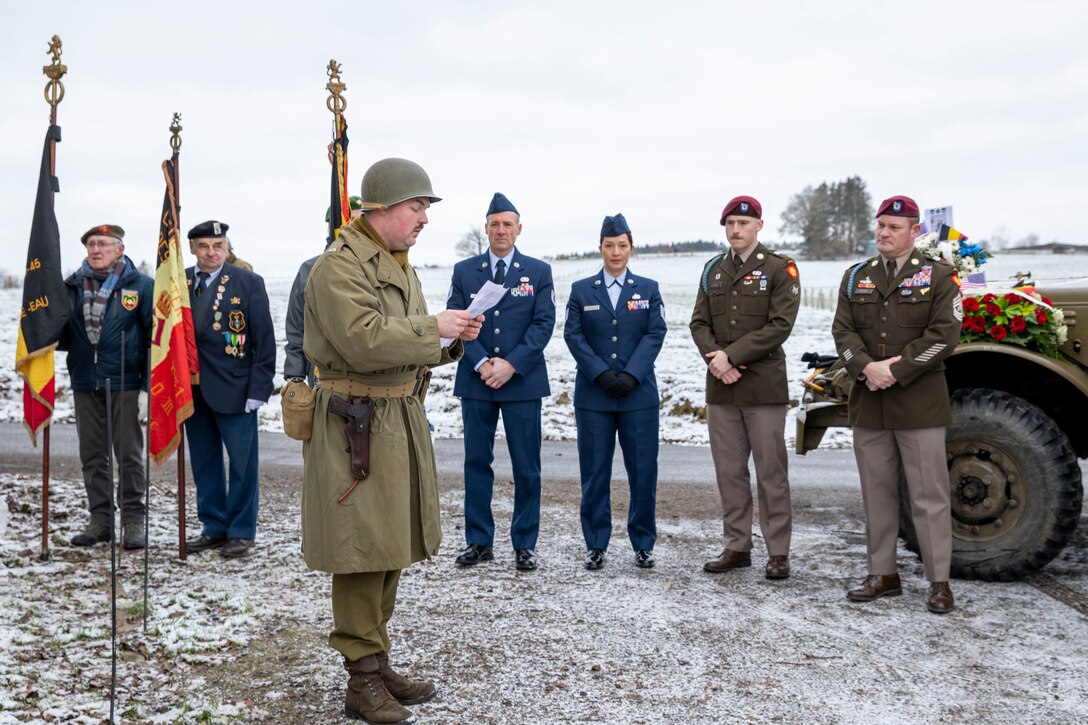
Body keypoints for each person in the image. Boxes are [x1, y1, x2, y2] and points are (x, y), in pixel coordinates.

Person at [302, 158, 481, 723]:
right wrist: (436, 328)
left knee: (390, 544)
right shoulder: (337, 268)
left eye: (426, 207)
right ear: (379, 209)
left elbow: (407, 339)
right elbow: (364, 341)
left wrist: (451, 338)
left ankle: (375, 662)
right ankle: (360, 679)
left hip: (395, 416)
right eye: (417, 206)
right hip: (356, 422)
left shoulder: (396, 264)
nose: (424, 217)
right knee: (360, 548)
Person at [832, 194, 962, 614]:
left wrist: (897, 369)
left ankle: (938, 581)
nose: (884, 233)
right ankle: (882, 574)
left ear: (915, 232)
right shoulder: (856, 277)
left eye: (893, 227)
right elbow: (843, 331)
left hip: (919, 403)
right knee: (877, 493)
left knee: (929, 496)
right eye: (881, 226)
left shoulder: (939, 276)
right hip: (870, 402)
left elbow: (944, 335)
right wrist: (867, 368)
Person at [689, 195, 800, 580]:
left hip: (762, 387)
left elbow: (779, 325)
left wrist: (730, 356)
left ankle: (778, 552)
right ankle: (737, 545)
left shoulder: (779, 268)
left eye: (743, 223)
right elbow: (699, 324)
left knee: (771, 472)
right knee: (730, 472)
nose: (735, 230)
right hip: (721, 387)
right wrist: (716, 360)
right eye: (730, 224)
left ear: (759, 226)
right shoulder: (713, 270)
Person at [448, 192, 556, 572]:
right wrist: (481, 365)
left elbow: (543, 325)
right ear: (486, 229)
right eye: (494, 223)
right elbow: (457, 322)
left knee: (527, 467)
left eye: (507, 223)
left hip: (521, 382)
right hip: (477, 381)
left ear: (519, 229)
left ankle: (524, 543)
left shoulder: (538, 272)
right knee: (477, 462)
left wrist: (509, 364)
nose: (501, 230)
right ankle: (479, 541)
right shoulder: (465, 271)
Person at [563, 213, 667, 570]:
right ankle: (595, 543)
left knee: (643, 472)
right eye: (609, 245)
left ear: (631, 248)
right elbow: (572, 336)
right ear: (600, 249)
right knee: (594, 472)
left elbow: (655, 333)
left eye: (622, 245)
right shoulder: (581, 290)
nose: (616, 252)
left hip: (638, 396)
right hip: (595, 395)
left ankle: (643, 542)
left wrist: (632, 375)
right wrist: (602, 374)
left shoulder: (649, 289)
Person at [183, 220, 275, 559]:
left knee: (241, 464)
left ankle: (240, 530)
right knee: (205, 463)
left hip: (235, 389)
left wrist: (258, 388)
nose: (211, 253)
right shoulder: (179, 282)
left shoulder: (247, 282)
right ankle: (214, 526)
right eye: (204, 246)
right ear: (192, 247)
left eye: (217, 246)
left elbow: (264, 341)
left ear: (227, 248)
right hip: (192, 390)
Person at [58, 224, 153, 550]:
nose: (96, 250)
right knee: (92, 455)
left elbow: (154, 339)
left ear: (119, 249)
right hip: (85, 380)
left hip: (125, 382)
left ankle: (132, 520)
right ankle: (100, 520)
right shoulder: (70, 286)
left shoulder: (141, 286)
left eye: (103, 244)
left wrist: (147, 387)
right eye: (91, 245)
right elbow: (59, 335)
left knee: (128, 454)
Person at [284, 196, 364, 386]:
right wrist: (295, 376)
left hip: (368, 376)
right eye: (348, 221)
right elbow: (297, 328)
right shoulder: (311, 269)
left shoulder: (376, 265)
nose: (353, 227)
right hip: (324, 375)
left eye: (360, 221)